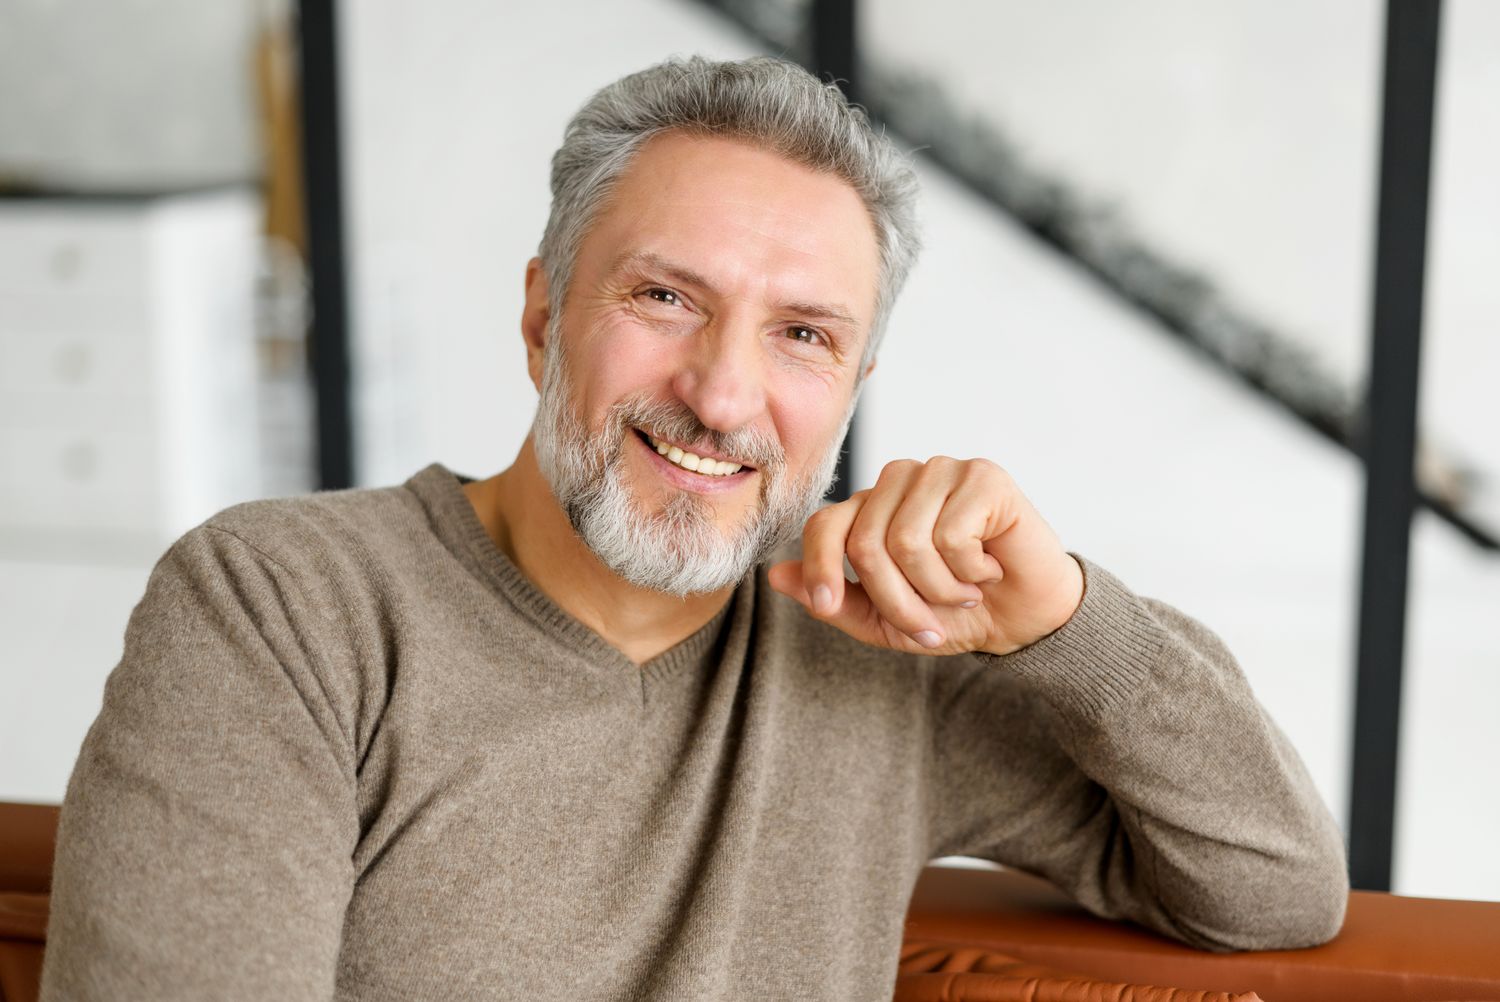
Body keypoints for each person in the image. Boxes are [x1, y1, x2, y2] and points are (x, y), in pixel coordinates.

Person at [39, 55, 1348, 1002]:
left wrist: (1070, 619)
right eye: (665, 296)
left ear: (849, 392)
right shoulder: (285, 606)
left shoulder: (881, 649)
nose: (724, 395)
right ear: (547, 313)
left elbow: (1275, 887)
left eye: (803, 336)